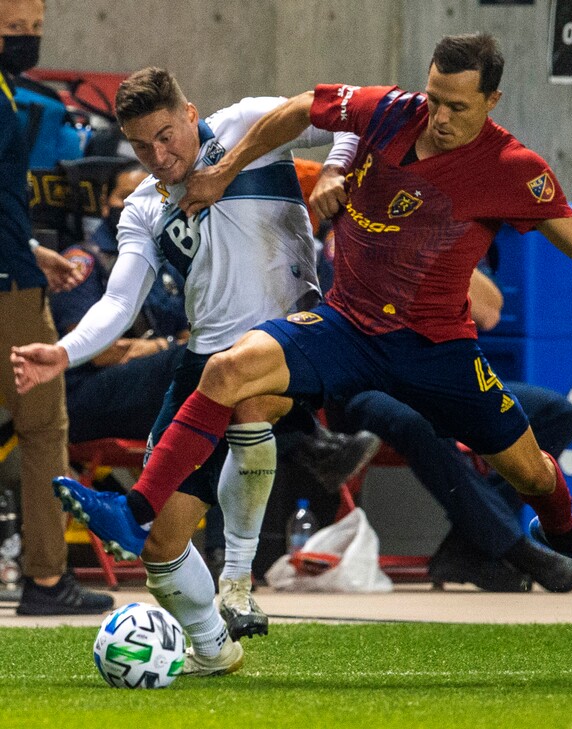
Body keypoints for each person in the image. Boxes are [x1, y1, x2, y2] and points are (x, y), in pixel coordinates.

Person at [38, 32, 572, 587]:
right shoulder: (388, 113)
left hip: (438, 350)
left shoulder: (512, 169)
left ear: (492, 101)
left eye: (458, 106)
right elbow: (296, 111)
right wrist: (228, 170)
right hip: (347, 325)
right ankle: (139, 510)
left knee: (532, 472)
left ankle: (565, 537)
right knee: (225, 371)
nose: (440, 117)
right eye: (434, 99)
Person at [11, 67, 375, 674]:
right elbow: (119, 302)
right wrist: (64, 352)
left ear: (190, 111)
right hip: (205, 361)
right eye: (141, 146)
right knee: (159, 545)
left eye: (166, 136)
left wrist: (336, 169)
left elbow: (349, 113)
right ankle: (212, 649)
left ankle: (237, 577)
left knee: (250, 389)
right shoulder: (145, 209)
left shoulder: (245, 124)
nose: (158, 156)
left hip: (296, 337)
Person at [325, 264, 572, 592]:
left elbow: (488, 313)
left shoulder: (448, 231)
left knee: (554, 412)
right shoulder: (350, 232)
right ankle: (517, 549)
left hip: (437, 375)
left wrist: (436, 246)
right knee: (420, 420)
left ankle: (465, 548)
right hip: (364, 380)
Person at [0, 0, 114, 616]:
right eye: (14, 30)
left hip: (16, 270)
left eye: (35, 30)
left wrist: (34, 251)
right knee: (44, 429)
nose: (27, 41)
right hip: (9, 293)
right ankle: (46, 580)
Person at [50, 159, 189, 445]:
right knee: (192, 362)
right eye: (125, 197)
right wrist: (166, 346)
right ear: (105, 203)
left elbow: (193, 332)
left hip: (147, 388)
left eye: (147, 197)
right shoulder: (82, 261)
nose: (134, 206)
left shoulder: (170, 264)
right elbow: (96, 351)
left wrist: (157, 347)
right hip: (84, 397)